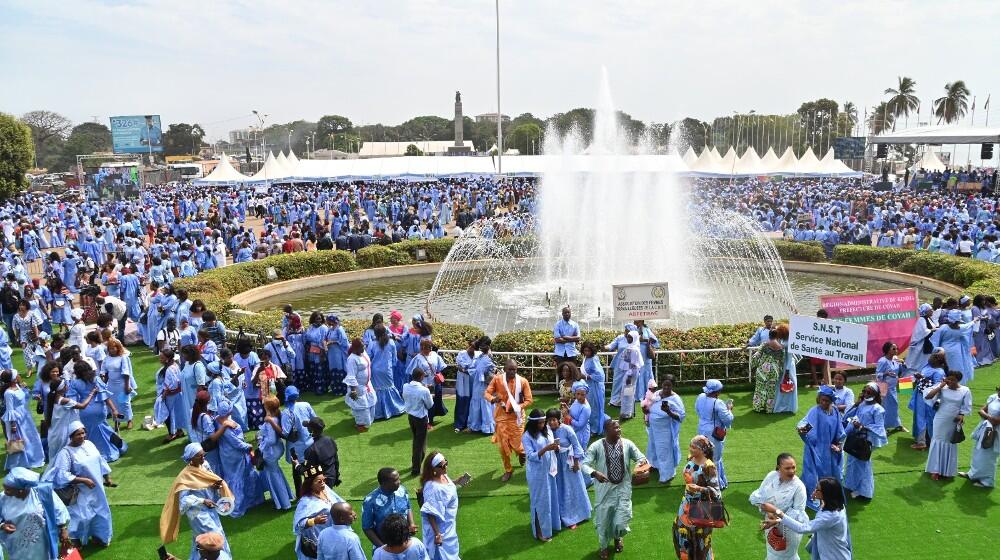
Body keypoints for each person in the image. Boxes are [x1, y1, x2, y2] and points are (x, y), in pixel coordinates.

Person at [42, 421, 115, 547]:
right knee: (82, 517)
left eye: (83, 433)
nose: (81, 436)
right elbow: (62, 474)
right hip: (80, 491)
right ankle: (75, 539)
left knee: (101, 512)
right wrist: (83, 480)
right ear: (71, 436)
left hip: (97, 488)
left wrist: (107, 478)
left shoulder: (90, 444)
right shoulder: (66, 453)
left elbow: (100, 461)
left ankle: (100, 536)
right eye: (77, 434)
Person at [582, 420, 646, 559]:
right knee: (603, 521)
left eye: (619, 427)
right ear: (606, 431)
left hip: (623, 488)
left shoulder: (627, 444)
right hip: (604, 489)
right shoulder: (596, 446)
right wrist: (594, 473)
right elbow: (584, 464)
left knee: (621, 522)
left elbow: (641, 458)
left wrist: (641, 466)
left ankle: (618, 536)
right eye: (615, 427)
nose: (619, 429)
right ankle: (603, 546)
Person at [159, 443, 234, 560]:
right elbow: (182, 501)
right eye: (200, 456)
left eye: (203, 455)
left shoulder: (205, 465)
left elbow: (208, 482)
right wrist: (202, 500)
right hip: (198, 515)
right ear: (191, 457)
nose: (203, 458)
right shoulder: (185, 476)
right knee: (212, 540)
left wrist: (213, 486)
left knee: (208, 539)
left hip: (211, 509)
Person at [762, 477, 853, 560]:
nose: (814, 491)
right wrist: (779, 521)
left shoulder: (830, 516)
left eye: (818, 490)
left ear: (826, 493)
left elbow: (803, 528)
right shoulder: (836, 505)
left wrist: (778, 512)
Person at [0, 467, 71, 560]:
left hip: (41, 541)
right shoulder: (2, 498)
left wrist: (63, 529)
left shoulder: (42, 492)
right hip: (16, 544)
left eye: (8, 489)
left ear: (21, 489)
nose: (5, 492)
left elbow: (59, 510)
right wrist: (2, 526)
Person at [672, 435, 723, 560]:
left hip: (700, 510)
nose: (690, 449)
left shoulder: (709, 467)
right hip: (685, 506)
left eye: (694, 447)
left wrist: (699, 489)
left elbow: (717, 493)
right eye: (690, 446)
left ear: (702, 450)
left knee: (699, 543)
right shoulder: (691, 459)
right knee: (682, 535)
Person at [749, 453, 809, 560]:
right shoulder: (772, 476)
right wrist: (768, 512)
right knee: (771, 555)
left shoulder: (799, 487)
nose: (791, 471)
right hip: (770, 526)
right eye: (787, 468)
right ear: (778, 468)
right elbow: (758, 496)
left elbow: (798, 515)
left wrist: (776, 520)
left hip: (789, 531)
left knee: (786, 557)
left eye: (793, 467)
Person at [484, 359, 534, 482]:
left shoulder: (522, 381)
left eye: (515, 369)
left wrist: (517, 407)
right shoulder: (497, 379)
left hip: (517, 418)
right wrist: (492, 399)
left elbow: (529, 400)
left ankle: (522, 453)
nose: (512, 371)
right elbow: (487, 393)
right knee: (502, 447)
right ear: (505, 369)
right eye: (510, 369)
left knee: (518, 447)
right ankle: (508, 470)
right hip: (501, 417)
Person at [798, 386, 846, 510]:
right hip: (815, 449)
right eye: (822, 400)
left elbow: (840, 431)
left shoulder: (835, 411)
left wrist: (838, 445)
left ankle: (829, 497)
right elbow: (805, 424)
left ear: (831, 401)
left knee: (830, 475)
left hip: (830, 450)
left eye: (826, 401)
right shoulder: (815, 411)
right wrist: (802, 430)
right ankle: (810, 497)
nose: (823, 403)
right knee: (811, 474)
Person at [68, 362, 124, 463]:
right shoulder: (96, 379)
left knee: (91, 434)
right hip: (99, 409)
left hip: (85, 411)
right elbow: (105, 396)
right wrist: (114, 409)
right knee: (104, 430)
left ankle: (96, 454)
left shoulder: (74, 383)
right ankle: (112, 450)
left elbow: (72, 400)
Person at [214, 400, 262, 518]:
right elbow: (236, 443)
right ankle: (237, 507)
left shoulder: (217, 420)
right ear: (230, 410)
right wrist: (249, 446)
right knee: (238, 478)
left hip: (226, 455)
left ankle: (248, 502)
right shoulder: (226, 426)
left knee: (235, 477)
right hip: (236, 454)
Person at [546, 408, 591, 529]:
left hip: (569, 462)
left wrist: (576, 463)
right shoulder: (548, 432)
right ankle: (563, 515)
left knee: (573, 488)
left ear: (558, 419)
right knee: (561, 489)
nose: (551, 423)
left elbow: (577, 446)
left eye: (554, 420)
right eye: (549, 420)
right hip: (556, 463)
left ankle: (578, 515)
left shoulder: (567, 429)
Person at [521, 409, 561, 541]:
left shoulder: (547, 430)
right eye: (539, 423)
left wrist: (556, 447)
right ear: (533, 423)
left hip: (549, 470)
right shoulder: (527, 436)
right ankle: (540, 533)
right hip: (536, 474)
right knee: (540, 502)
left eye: (543, 422)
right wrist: (546, 449)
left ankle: (552, 525)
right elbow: (531, 456)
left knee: (550, 499)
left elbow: (550, 444)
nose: (542, 425)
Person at [924, 371, 973, 480]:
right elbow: (928, 396)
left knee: (950, 443)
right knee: (937, 441)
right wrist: (940, 387)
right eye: (948, 379)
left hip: (953, 421)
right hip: (940, 419)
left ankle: (947, 470)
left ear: (958, 380)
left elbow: (966, 407)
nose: (949, 381)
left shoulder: (965, 390)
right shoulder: (943, 387)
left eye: (952, 380)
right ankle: (935, 470)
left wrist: (961, 415)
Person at [843, 383, 887, 499]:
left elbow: (880, 428)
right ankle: (851, 486)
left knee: (863, 464)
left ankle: (864, 492)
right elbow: (846, 416)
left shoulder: (878, 409)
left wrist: (863, 426)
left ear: (875, 394)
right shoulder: (861, 404)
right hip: (855, 437)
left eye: (869, 392)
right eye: (864, 391)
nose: (866, 394)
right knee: (852, 462)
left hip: (866, 440)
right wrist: (856, 404)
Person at [293, 465, 345, 560]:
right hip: (318, 540)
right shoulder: (305, 502)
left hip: (335, 533)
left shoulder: (325, 489)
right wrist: (314, 521)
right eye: (319, 481)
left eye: (324, 480)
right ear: (310, 484)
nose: (323, 483)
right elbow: (298, 525)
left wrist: (348, 511)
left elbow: (338, 500)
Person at [361, 468, 414, 554]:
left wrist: (411, 524)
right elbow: (367, 528)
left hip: (405, 545)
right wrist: (383, 549)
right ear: (385, 483)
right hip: (384, 547)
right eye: (395, 480)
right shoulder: (370, 501)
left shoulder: (402, 490)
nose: (399, 482)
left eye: (399, 478)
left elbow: (408, 508)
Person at [419, 452, 460, 560]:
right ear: (434, 469)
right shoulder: (432, 488)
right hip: (440, 529)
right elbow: (430, 513)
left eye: (446, 463)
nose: (445, 467)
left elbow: (446, 488)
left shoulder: (443, 475)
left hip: (449, 524)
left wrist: (456, 482)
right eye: (442, 466)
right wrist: (437, 534)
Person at [2, 369, 46, 470]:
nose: (19, 375)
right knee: (19, 440)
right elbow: (10, 409)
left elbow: (25, 399)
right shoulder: (8, 393)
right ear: (13, 378)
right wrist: (13, 425)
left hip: (25, 415)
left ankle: (34, 457)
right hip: (17, 419)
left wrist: (25, 388)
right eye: (17, 374)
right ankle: (19, 463)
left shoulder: (18, 386)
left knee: (31, 436)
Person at [646, 375, 685, 483]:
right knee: (653, 447)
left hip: (665, 430)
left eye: (669, 385)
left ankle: (667, 474)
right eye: (665, 385)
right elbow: (650, 404)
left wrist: (668, 411)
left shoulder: (676, 399)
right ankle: (655, 465)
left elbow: (681, 417)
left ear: (673, 385)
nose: (667, 388)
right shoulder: (657, 393)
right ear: (661, 384)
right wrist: (646, 412)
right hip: (653, 428)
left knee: (664, 450)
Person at [695, 379, 733, 489]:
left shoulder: (700, 396)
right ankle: (715, 484)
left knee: (704, 455)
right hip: (714, 433)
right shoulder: (718, 403)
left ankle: (704, 480)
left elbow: (697, 410)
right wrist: (729, 409)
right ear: (717, 392)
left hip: (701, 430)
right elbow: (728, 419)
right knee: (715, 458)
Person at [960, 384, 1000, 487]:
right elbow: (981, 410)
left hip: (996, 432)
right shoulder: (993, 397)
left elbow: (996, 421)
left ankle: (987, 481)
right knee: (978, 452)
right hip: (985, 427)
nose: (999, 392)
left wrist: (987, 417)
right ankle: (972, 474)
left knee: (989, 456)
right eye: (998, 390)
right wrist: (989, 417)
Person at [258, 397, 293, 511]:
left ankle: (283, 502)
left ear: (267, 407)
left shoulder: (269, 420)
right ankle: (286, 498)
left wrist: (260, 444)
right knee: (276, 473)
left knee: (274, 476)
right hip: (277, 449)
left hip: (271, 452)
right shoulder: (277, 416)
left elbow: (270, 440)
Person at [910, 349, 947, 450]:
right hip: (920, 396)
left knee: (924, 419)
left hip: (927, 400)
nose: (929, 358)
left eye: (932, 356)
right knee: (919, 417)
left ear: (937, 359)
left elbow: (937, 388)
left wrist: (922, 378)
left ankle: (922, 442)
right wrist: (920, 378)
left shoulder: (939, 372)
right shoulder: (928, 366)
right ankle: (921, 438)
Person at [406, 340, 447, 428]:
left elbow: (441, 367)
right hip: (423, 384)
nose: (425, 349)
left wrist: (437, 374)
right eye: (423, 347)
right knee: (425, 402)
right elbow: (412, 372)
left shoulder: (435, 355)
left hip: (434, 383)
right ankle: (427, 421)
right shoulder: (417, 358)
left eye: (428, 347)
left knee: (434, 401)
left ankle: (430, 420)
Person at [367, 327, 404, 421]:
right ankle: (393, 409)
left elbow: (368, 357)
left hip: (375, 370)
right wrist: (392, 366)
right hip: (387, 369)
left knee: (377, 390)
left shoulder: (372, 343)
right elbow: (394, 359)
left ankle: (379, 412)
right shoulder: (391, 342)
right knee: (390, 387)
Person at [930, 310, 976, 384]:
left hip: (945, 350)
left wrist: (936, 349)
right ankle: (958, 382)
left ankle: (946, 381)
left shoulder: (944, 327)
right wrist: (974, 321)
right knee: (958, 366)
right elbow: (968, 326)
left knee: (946, 366)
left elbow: (935, 339)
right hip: (957, 351)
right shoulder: (960, 328)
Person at [402, 369, 433, 476]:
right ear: (421, 377)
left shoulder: (406, 386)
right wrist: (428, 392)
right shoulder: (424, 390)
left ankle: (417, 462)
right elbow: (429, 405)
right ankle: (416, 468)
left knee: (418, 441)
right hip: (421, 418)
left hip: (411, 417)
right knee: (419, 444)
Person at [345, 338, 378, 432]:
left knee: (371, 402)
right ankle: (361, 424)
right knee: (361, 407)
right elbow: (351, 376)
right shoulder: (351, 359)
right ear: (355, 348)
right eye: (361, 346)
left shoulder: (363, 353)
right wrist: (353, 390)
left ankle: (367, 422)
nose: (364, 347)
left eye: (364, 345)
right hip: (358, 387)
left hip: (367, 384)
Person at [875, 342, 906, 434]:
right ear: (887, 350)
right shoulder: (882, 361)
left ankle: (897, 424)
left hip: (893, 388)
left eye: (896, 348)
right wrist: (886, 373)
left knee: (894, 406)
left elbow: (900, 372)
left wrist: (903, 364)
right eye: (893, 349)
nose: (896, 350)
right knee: (885, 407)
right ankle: (883, 427)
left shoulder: (895, 359)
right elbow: (877, 375)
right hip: (884, 388)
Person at [466, 336, 495, 434]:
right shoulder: (482, 356)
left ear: (488, 345)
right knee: (478, 402)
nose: (482, 347)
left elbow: (480, 370)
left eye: (484, 345)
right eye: (481, 345)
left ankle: (486, 427)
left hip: (483, 384)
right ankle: (476, 426)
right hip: (478, 383)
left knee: (484, 403)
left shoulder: (487, 357)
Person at [751, 329, 784, 413]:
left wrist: (753, 365)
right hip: (774, 371)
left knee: (759, 388)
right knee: (771, 390)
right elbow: (781, 361)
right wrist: (780, 370)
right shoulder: (780, 347)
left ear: (769, 335)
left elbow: (756, 356)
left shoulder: (765, 344)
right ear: (777, 336)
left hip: (763, 369)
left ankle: (758, 407)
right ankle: (769, 409)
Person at [580, 341, 609, 437]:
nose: (586, 352)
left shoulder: (593, 360)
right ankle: (603, 423)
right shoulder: (586, 358)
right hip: (589, 386)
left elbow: (600, 376)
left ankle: (595, 429)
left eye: (588, 350)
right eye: (585, 351)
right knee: (590, 407)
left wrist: (587, 377)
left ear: (592, 351)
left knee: (595, 408)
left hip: (595, 387)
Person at [773, 324, 799, 414]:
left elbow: (789, 357)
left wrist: (787, 371)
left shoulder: (788, 342)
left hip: (788, 366)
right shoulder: (785, 340)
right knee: (786, 385)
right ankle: (787, 406)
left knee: (786, 385)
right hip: (786, 365)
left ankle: (784, 406)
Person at [905, 303, 938, 372]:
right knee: (921, 363)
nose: (932, 311)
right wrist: (933, 330)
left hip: (929, 344)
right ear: (926, 311)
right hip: (922, 346)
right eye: (930, 310)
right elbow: (922, 331)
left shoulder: (928, 319)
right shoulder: (922, 319)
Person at [453, 339, 476, 433]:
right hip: (463, 382)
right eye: (472, 347)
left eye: (476, 348)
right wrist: (465, 371)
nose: (474, 349)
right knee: (462, 401)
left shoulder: (478, 355)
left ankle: (471, 423)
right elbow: (459, 366)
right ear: (469, 345)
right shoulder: (462, 354)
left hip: (474, 382)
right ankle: (460, 424)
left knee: (473, 402)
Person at [563, 380, 592, 447]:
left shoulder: (586, 408)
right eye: (577, 394)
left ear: (586, 394)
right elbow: (573, 411)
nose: (579, 397)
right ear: (575, 393)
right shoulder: (576, 401)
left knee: (579, 453)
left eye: (582, 395)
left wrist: (569, 418)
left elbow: (580, 425)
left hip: (581, 434)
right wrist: (567, 408)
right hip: (573, 430)